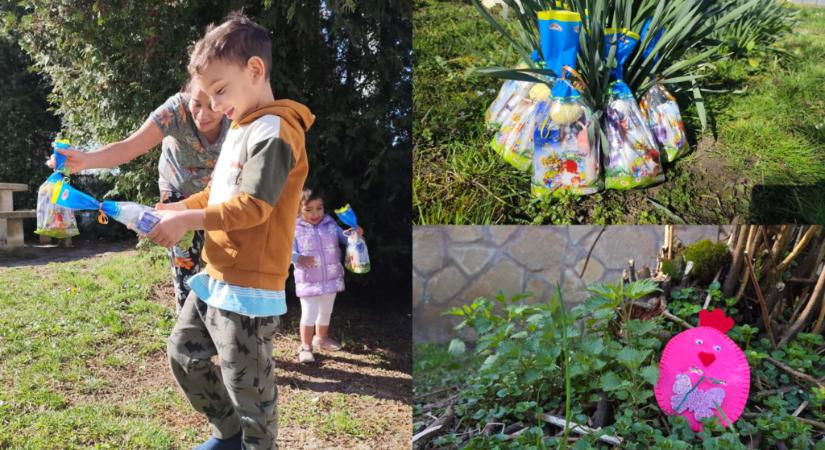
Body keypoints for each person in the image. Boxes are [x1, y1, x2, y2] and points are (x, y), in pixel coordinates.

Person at [147, 12, 314, 450]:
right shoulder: (243, 127)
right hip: (216, 276)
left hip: (249, 287)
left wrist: (187, 221)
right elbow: (218, 192)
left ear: (254, 70)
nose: (216, 105)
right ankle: (228, 434)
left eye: (220, 91)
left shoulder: (276, 130)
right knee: (184, 354)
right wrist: (178, 208)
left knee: (248, 388)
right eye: (209, 95)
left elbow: (253, 207)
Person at [50, 78, 229, 313]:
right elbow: (129, 147)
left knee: (224, 264)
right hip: (177, 192)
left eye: (212, 105)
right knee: (185, 266)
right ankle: (187, 324)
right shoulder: (175, 111)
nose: (203, 115)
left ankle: (220, 321)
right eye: (197, 104)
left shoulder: (237, 115)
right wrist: (86, 160)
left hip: (220, 193)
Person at [292, 187, 362, 364]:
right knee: (308, 314)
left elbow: (345, 238)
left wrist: (354, 234)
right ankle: (305, 346)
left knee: (326, 312)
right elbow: (287, 252)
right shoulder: (294, 229)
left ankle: (321, 338)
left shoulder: (330, 224)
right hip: (308, 281)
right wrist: (299, 258)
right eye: (308, 209)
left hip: (331, 279)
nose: (315, 213)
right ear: (298, 209)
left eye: (319, 208)